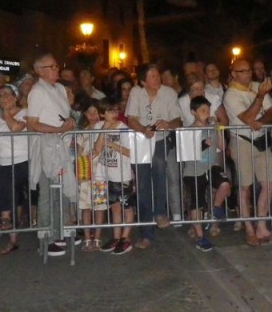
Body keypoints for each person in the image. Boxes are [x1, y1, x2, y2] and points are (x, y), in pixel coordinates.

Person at [125, 64, 181, 249]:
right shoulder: (136, 92)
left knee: (158, 164)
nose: (157, 79)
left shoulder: (170, 93)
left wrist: (168, 123)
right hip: (141, 141)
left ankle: (160, 211)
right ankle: (146, 233)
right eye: (152, 76)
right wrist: (143, 129)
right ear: (143, 81)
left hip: (161, 139)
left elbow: (178, 119)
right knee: (142, 186)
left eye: (158, 75)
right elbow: (131, 118)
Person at [26, 53, 77, 257]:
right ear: (40, 70)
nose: (57, 69)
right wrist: (58, 130)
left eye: (57, 65)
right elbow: (32, 123)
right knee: (47, 192)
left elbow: (64, 115)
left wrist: (69, 124)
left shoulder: (60, 89)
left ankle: (61, 230)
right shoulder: (37, 91)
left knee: (62, 190)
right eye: (53, 66)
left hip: (61, 146)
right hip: (47, 147)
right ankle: (45, 236)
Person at [223, 59, 272, 246]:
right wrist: (260, 98)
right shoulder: (230, 95)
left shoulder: (256, 86)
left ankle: (261, 225)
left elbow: (271, 111)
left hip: (261, 140)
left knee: (269, 183)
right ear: (234, 73)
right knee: (245, 187)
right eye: (243, 71)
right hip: (243, 141)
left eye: (249, 70)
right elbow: (247, 117)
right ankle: (248, 228)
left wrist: (261, 121)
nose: (248, 74)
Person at [182, 96, 230, 252]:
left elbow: (222, 147)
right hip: (194, 170)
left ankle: (216, 207)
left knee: (224, 183)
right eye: (202, 110)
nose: (206, 113)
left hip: (211, 166)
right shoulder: (188, 130)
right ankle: (200, 237)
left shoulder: (211, 127)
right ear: (193, 112)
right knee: (197, 202)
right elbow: (186, 153)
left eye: (208, 110)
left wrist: (219, 131)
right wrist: (203, 145)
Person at [93, 97, 136, 255]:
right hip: (106, 175)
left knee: (126, 207)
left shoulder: (123, 128)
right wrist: (104, 130)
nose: (114, 113)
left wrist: (112, 144)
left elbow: (130, 151)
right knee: (115, 208)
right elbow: (97, 149)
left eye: (115, 110)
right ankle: (117, 237)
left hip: (122, 175)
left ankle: (126, 238)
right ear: (102, 113)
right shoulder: (99, 126)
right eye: (110, 110)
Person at [0, 84, 29, 255]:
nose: (5, 98)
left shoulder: (26, 113)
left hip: (23, 161)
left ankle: (10, 218)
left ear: (16, 97)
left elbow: (15, 128)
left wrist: (7, 112)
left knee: (15, 195)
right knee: (8, 194)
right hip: (3, 162)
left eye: (8, 95)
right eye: (1, 95)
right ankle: (9, 229)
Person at [75, 99, 104, 251]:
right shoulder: (83, 132)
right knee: (86, 207)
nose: (93, 115)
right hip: (86, 173)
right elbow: (79, 153)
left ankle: (97, 238)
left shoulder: (104, 130)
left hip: (100, 174)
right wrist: (79, 174)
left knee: (99, 207)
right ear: (85, 114)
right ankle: (87, 238)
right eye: (89, 112)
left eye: (95, 111)